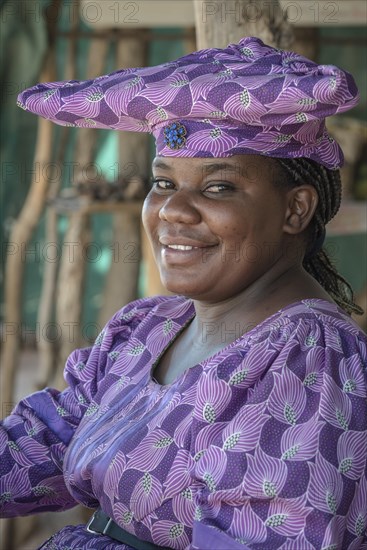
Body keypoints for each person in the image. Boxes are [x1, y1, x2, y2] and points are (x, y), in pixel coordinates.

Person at [2, 37, 366, 550]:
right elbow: (49, 437)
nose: (174, 211)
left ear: (295, 210)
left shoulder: (305, 367)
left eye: (218, 187)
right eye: (165, 183)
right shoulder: (150, 328)